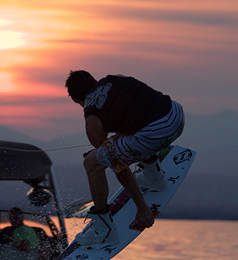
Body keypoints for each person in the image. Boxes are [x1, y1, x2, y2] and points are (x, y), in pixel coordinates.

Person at [65, 70, 184, 245]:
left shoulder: (92, 117)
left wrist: (142, 207)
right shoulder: (114, 79)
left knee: (92, 163)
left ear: (75, 99)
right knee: (128, 134)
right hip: (176, 116)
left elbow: (116, 162)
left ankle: (103, 229)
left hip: (156, 133)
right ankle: (153, 177)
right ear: (95, 81)